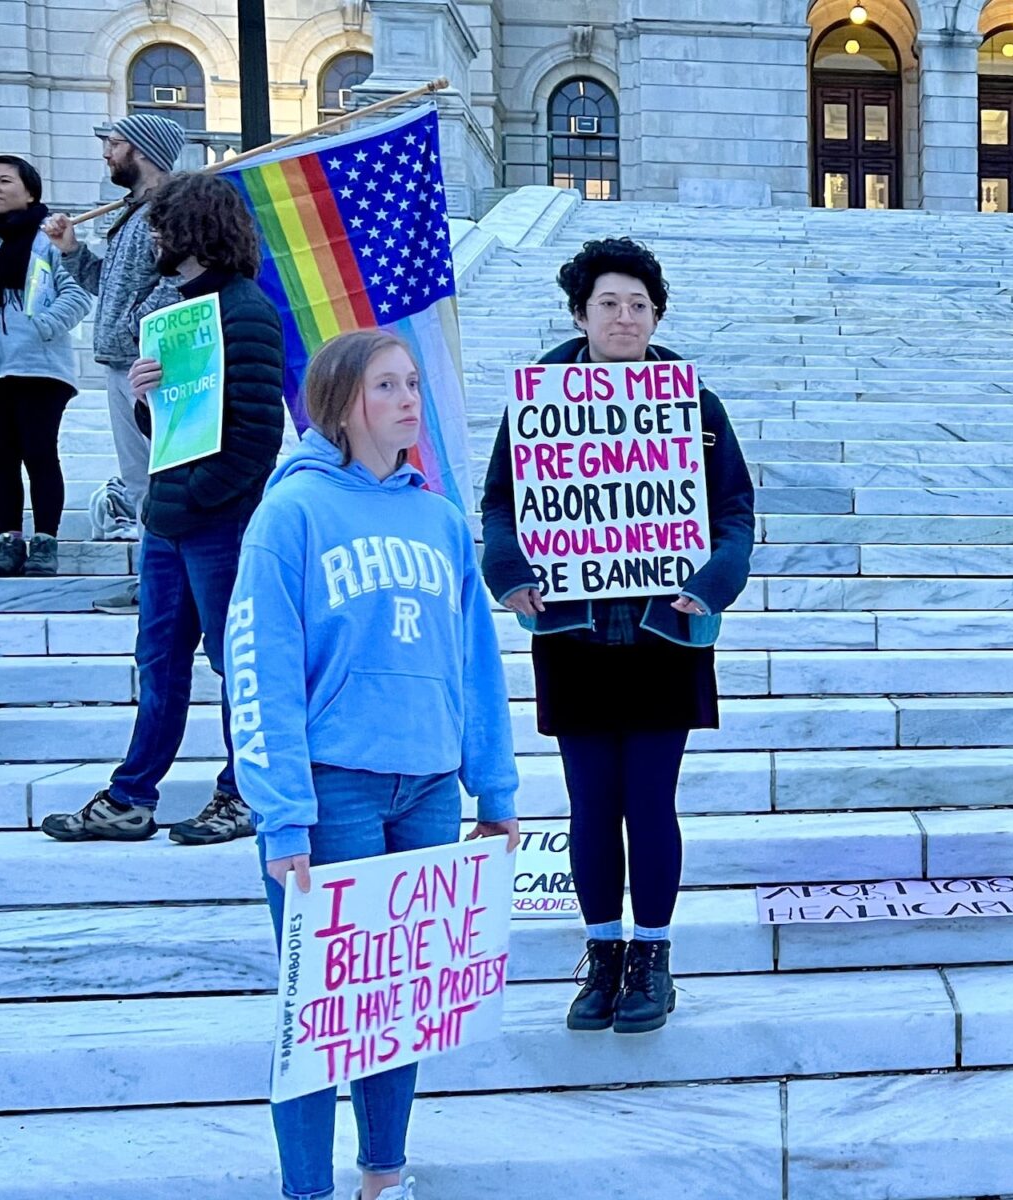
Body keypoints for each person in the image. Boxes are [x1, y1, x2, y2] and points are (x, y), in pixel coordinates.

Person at [231, 329, 518, 1200]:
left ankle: (385, 1176)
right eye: (387, 385)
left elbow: (476, 659)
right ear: (342, 402)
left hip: (428, 786)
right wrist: (282, 813)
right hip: (332, 790)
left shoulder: (438, 517)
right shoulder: (293, 512)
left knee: (398, 1005)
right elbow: (260, 666)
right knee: (321, 1010)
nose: (408, 399)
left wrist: (494, 786)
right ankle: (308, 1191)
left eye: (412, 384)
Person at [481, 237, 754, 1034]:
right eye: (609, 303)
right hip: (574, 635)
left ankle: (653, 958)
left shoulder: (693, 401)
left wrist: (711, 583)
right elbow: (501, 502)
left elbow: (733, 509)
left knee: (651, 802)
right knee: (591, 806)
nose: (624, 316)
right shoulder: (539, 399)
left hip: (664, 634)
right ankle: (602, 957)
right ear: (580, 313)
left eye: (638, 304)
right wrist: (510, 571)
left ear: (657, 314)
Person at [39, 172, 284, 847]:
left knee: (236, 663)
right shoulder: (178, 312)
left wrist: (195, 503)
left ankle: (241, 795)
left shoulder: (245, 311)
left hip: (218, 523)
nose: (150, 236)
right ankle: (130, 799)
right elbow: (181, 431)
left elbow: (258, 436)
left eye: (160, 225)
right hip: (171, 523)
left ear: (194, 230)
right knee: (159, 662)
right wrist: (150, 400)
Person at [42, 113, 188, 611]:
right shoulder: (133, 210)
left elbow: (177, 282)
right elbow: (110, 286)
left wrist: (135, 325)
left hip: (150, 365)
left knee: (158, 479)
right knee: (140, 480)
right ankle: (156, 581)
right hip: (124, 362)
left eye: (115, 142)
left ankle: (165, 586)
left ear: (143, 149)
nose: (106, 150)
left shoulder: (169, 209)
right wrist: (71, 252)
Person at [0, 154, 90, 576]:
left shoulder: (49, 237)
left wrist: (41, 326)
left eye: (5, 181)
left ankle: (46, 541)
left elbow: (79, 291)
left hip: (38, 366)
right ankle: (8, 541)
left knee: (39, 452)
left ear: (30, 191)